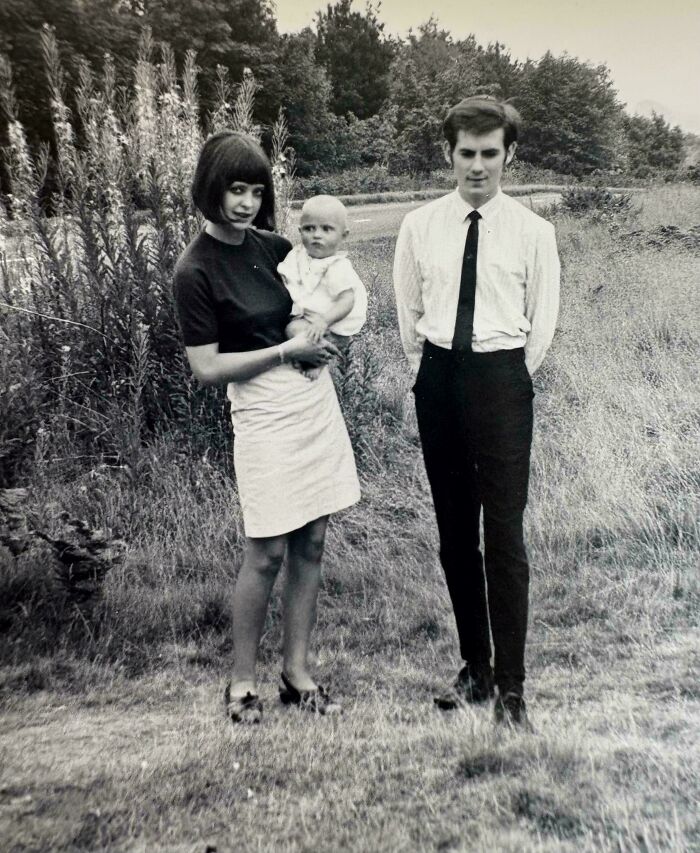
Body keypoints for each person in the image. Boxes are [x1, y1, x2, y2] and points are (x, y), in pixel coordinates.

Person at [173, 131, 361, 724]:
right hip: (260, 410)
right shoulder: (194, 269)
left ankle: (297, 673)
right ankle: (241, 684)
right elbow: (205, 368)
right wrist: (285, 354)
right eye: (235, 189)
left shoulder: (278, 248)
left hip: (312, 404)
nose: (247, 202)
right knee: (265, 550)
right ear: (211, 188)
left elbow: (340, 294)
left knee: (312, 540)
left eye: (256, 190)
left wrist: (324, 340)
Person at [393, 95, 560, 728]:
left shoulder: (533, 232)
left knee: (505, 534)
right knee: (455, 533)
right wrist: (435, 373)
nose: (478, 167)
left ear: (509, 156)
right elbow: (408, 314)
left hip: (501, 382)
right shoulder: (419, 225)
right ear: (449, 154)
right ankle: (476, 669)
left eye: (491, 154)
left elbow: (540, 326)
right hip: (439, 380)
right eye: (467, 153)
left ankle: (513, 687)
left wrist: (501, 378)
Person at [278, 194, 367, 377]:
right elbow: (288, 277)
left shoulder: (336, 267)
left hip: (334, 326)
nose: (317, 235)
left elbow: (347, 300)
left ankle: (317, 362)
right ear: (300, 231)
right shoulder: (299, 256)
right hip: (313, 319)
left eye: (327, 229)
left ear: (344, 235)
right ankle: (307, 356)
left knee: (293, 331)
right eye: (309, 228)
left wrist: (324, 321)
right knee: (291, 329)